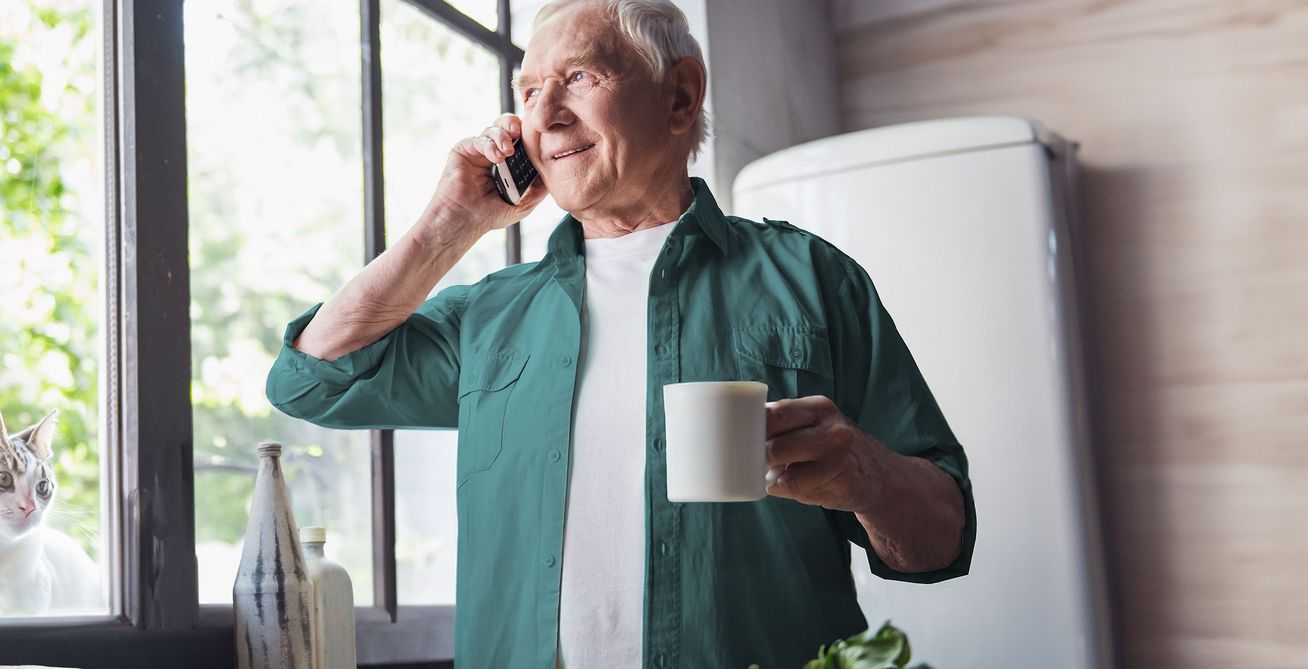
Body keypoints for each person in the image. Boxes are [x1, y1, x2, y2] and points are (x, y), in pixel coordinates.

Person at [264, 0, 975, 666]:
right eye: (529, 89)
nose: (544, 113)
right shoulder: (488, 315)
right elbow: (308, 380)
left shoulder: (814, 278)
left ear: (679, 97)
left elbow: (943, 539)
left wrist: (864, 474)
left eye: (579, 76)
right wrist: (449, 225)